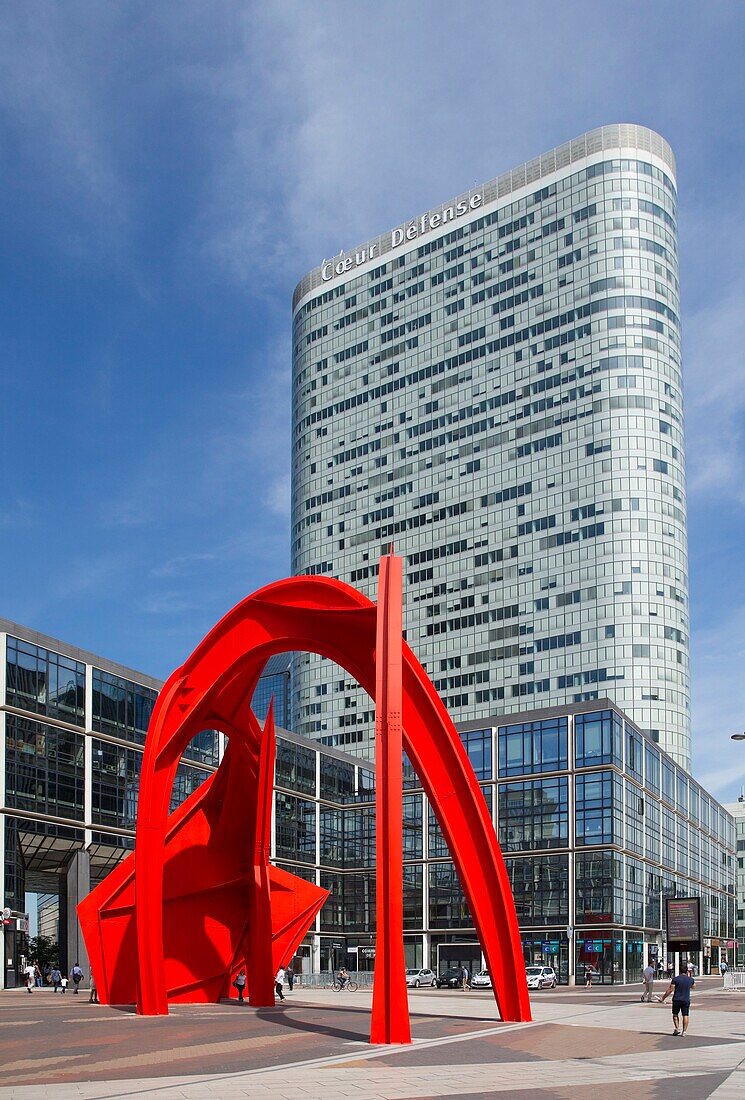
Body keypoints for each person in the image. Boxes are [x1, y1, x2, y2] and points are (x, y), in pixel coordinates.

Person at [660, 962, 695, 1036]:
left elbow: (670, 990)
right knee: (685, 1015)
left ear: (679, 971)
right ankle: (684, 1031)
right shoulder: (690, 979)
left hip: (676, 999)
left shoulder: (675, 979)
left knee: (675, 1014)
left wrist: (663, 998)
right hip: (686, 999)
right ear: (686, 971)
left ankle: (676, 1028)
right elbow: (694, 987)